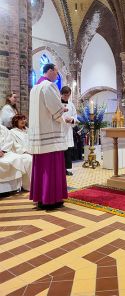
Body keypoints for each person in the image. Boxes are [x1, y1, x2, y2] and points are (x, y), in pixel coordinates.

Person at [28, 63, 73, 210]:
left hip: (38, 136)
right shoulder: (49, 86)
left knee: (41, 167)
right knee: (51, 167)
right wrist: (64, 111)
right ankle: (51, 199)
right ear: (49, 70)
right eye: (56, 72)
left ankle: (41, 198)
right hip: (50, 135)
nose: (57, 75)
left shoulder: (34, 88)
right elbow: (55, 109)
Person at [0, 124, 29, 192]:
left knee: (17, 159)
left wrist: (3, 150)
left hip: (4, 152)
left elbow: (8, 140)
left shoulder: (2, 128)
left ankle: (14, 188)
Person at [10, 114, 32, 191]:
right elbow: (15, 146)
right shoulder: (12, 132)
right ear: (16, 121)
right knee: (29, 159)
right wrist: (26, 151)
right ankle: (29, 185)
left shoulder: (28, 130)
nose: (23, 121)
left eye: (24, 119)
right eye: (21, 119)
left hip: (32, 151)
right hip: (20, 153)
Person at [60, 86, 77, 176]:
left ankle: (65, 169)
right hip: (60, 130)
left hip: (68, 130)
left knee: (67, 151)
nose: (67, 97)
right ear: (61, 94)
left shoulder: (71, 104)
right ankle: (59, 170)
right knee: (61, 152)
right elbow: (55, 115)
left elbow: (75, 115)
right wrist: (64, 120)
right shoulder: (57, 103)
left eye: (68, 95)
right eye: (65, 95)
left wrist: (72, 119)